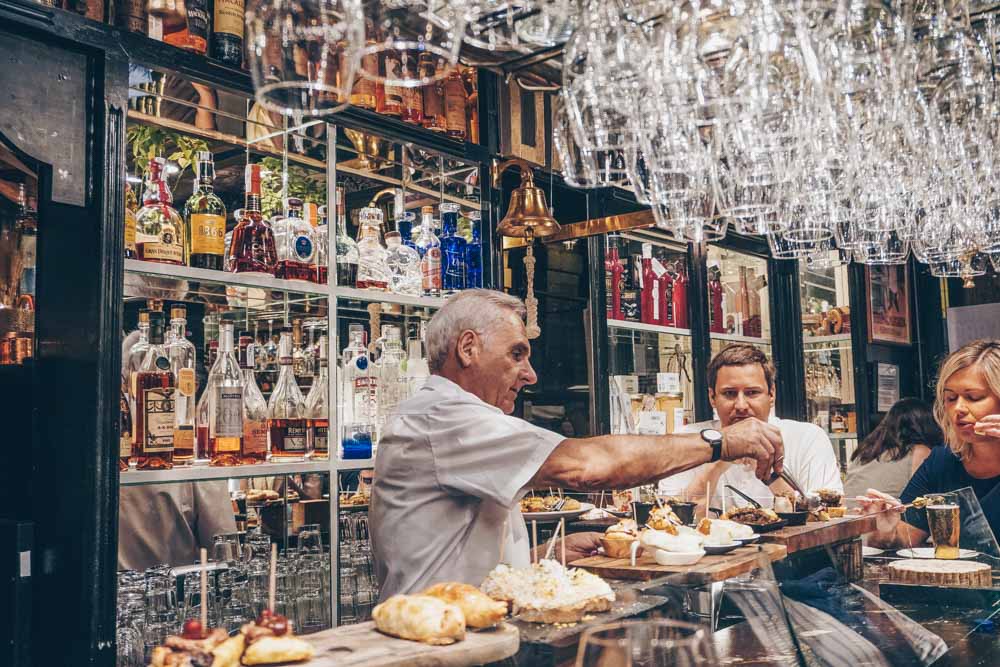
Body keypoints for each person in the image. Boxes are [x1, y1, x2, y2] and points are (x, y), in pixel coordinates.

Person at [370, 290, 784, 599]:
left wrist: (548, 555)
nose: (530, 375)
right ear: (468, 348)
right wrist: (718, 442)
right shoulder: (443, 417)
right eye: (517, 354)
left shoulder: (453, 417)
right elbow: (588, 466)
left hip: (465, 630)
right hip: (440, 645)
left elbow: (453, 553)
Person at [659, 344, 842, 514]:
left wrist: (770, 474)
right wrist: (720, 456)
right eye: (729, 393)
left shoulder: (807, 438)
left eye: (752, 393)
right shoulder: (685, 440)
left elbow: (824, 515)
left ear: (771, 394)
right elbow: (673, 520)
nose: (741, 405)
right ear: (712, 397)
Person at [861, 340, 1000, 548]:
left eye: (973, 397)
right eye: (950, 398)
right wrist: (885, 530)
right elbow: (906, 538)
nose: (959, 408)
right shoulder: (942, 461)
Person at [843, 398, 942, 500]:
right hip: (883, 514)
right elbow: (932, 498)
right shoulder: (921, 452)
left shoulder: (864, 452)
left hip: (849, 514)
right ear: (928, 425)